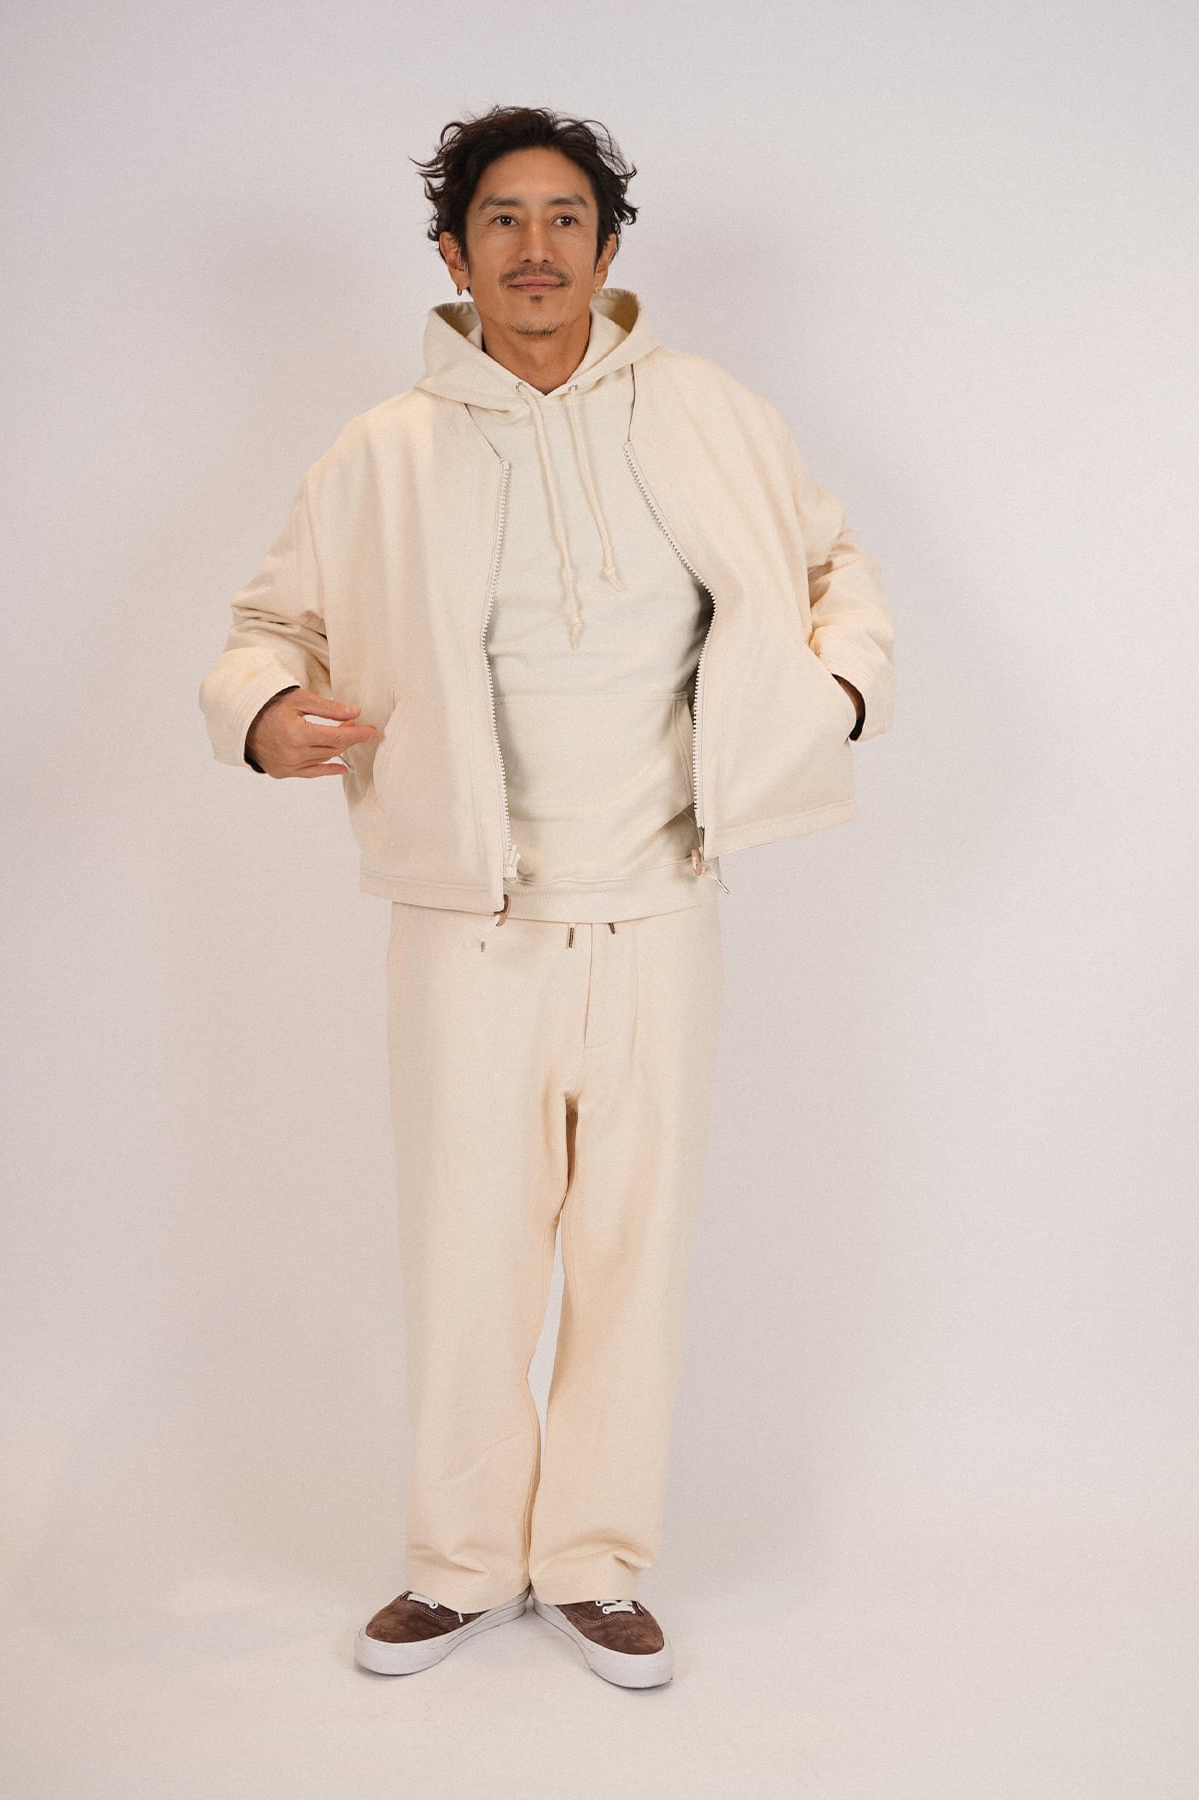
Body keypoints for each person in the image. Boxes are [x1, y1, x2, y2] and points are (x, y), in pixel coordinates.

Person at [198, 105, 894, 1689]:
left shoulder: (709, 414)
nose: (535, 247)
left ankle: (593, 1563)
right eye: (501, 220)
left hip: (662, 906)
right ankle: (459, 1566)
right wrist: (259, 710)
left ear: (607, 245)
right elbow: (265, 625)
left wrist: (841, 693)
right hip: (471, 922)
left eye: (564, 217)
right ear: (453, 255)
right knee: (469, 1252)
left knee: (635, 1249)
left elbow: (833, 568)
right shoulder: (381, 453)